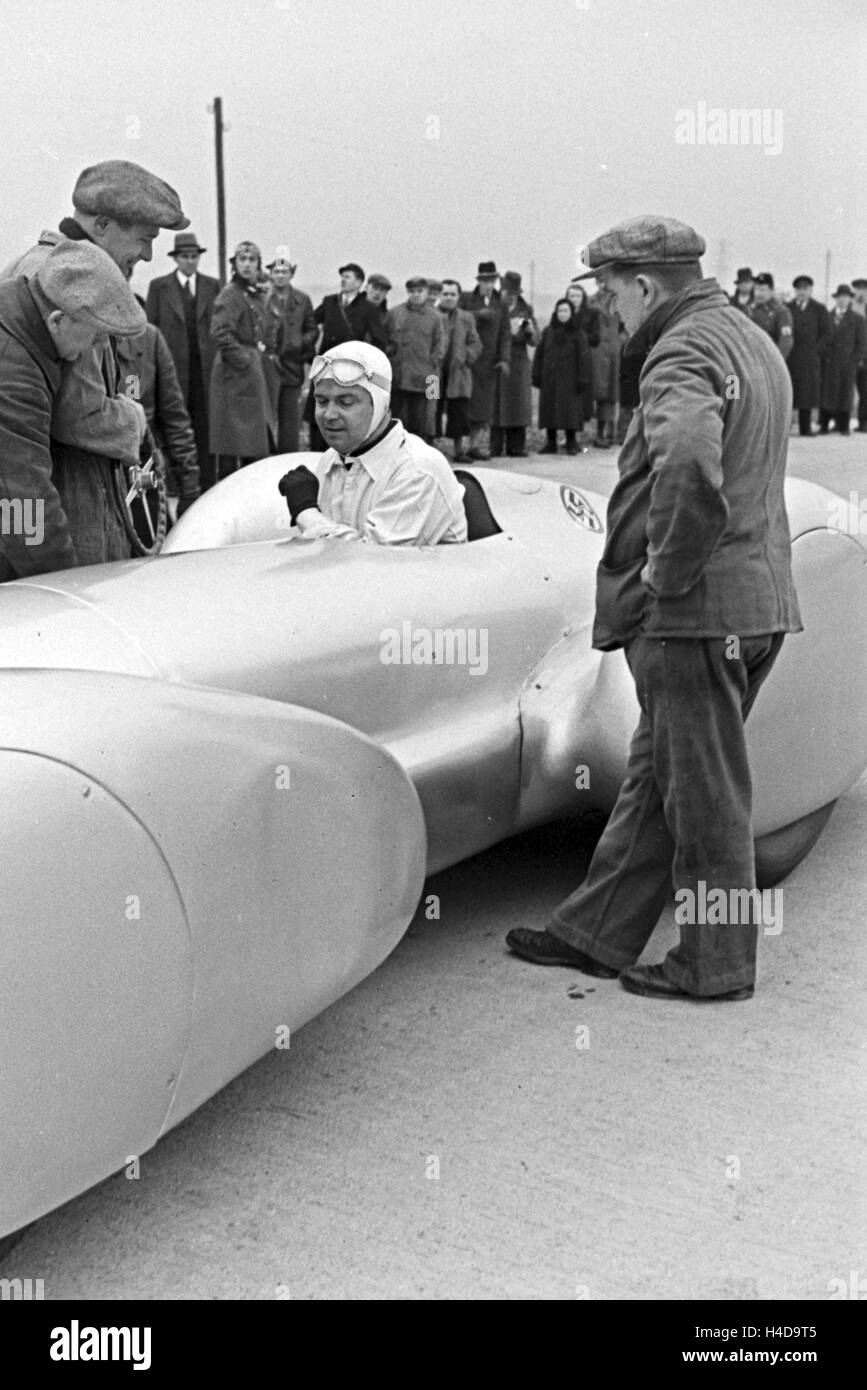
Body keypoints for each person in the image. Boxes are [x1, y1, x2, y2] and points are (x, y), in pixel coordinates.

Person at [507, 214, 801, 1002]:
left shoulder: (679, 350)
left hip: (697, 614)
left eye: (611, 292)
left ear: (643, 285)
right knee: (659, 776)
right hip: (753, 600)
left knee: (703, 796)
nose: (609, 309)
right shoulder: (743, 335)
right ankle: (594, 932)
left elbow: (687, 471)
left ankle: (714, 963)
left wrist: (665, 581)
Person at [1, 158, 189, 565]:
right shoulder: (65, 291)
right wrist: (51, 575)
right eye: (144, 238)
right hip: (67, 508)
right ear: (102, 225)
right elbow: (74, 420)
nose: (149, 253)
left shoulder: (52, 277)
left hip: (53, 505)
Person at [0, 240, 146, 581]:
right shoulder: (13, 376)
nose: (97, 347)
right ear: (57, 321)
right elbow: (21, 503)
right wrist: (64, 585)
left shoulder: (16, 316)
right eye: (95, 336)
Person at [277, 341, 466, 546]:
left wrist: (306, 512)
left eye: (346, 402)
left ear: (380, 405)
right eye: (322, 401)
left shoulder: (419, 470)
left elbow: (372, 563)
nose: (329, 415)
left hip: (423, 576)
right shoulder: (331, 460)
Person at [145, 231, 219, 491]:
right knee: (174, 426)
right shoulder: (159, 287)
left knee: (204, 428)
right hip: (173, 371)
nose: (190, 261)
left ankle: (207, 486)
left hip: (205, 373)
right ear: (176, 259)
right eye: (185, 257)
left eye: (194, 256)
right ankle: (177, 487)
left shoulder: (213, 286)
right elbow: (150, 328)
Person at [116, 315, 201, 522]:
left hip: (143, 476)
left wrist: (189, 488)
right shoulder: (73, 337)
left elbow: (174, 416)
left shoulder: (148, 338)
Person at [306, 263, 389, 449]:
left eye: (348, 277)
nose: (343, 280)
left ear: (359, 283)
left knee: (345, 414)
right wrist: (310, 354)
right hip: (325, 368)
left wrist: (365, 364)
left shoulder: (368, 308)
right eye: (342, 276)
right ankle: (315, 455)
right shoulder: (330, 302)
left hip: (351, 371)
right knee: (319, 411)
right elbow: (309, 324)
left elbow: (380, 339)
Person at [209, 240, 275, 475]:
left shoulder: (252, 293)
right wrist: (245, 361)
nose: (247, 265)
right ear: (235, 265)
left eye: (252, 260)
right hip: (235, 373)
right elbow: (220, 332)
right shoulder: (230, 294)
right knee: (233, 441)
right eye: (242, 260)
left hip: (250, 370)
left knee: (253, 442)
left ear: (258, 265)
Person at [259, 245, 317, 454]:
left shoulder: (303, 300)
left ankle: (287, 459)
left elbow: (312, 329)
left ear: (291, 274)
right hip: (268, 366)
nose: (280, 275)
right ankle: (265, 459)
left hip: (292, 366)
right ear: (271, 274)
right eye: (276, 271)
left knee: (290, 421)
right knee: (266, 418)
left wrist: (299, 343)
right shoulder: (263, 299)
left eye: (284, 271)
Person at [460, 261, 510, 459]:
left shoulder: (501, 303)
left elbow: (505, 333)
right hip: (468, 361)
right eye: (484, 281)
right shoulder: (467, 299)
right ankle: (458, 446)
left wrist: (504, 359)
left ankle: (475, 446)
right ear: (479, 281)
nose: (488, 285)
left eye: (491, 281)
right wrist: (477, 315)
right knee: (464, 404)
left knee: (484, 407)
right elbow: (458, 317)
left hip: (490, 363)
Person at [386, 276, 444, 440]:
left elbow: (439, 348)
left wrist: (429, 373)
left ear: (427, 292)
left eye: (420, 291)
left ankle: (425, 449)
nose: (416, 295)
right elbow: (388, 342)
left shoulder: (436, 317)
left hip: (426, 377)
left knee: (423, 418)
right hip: (400, 377)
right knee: (398, 419)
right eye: (412, 291)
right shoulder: (395, 313)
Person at [532, 299, 590, 454]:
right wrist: (536, 374)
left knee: (569, 411)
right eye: (560, 311)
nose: (562, 314)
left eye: (565, 311)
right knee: (550, 410)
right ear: (555, 313)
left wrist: (583, 378)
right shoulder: (548, 331)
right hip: (550, 378)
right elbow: (539, 354)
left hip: (570, 380)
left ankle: (571, 442)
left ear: (571, 313)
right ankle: (551, 443)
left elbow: (584, 358)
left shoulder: (579, 333)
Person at [491, 271, 538, 458]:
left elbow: (535, 341)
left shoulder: (525, 310)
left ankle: (516, 446)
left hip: (518, 362)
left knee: (518, 405)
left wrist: (530, 330)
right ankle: (495, 446)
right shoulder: (494, 308)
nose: (509, 296)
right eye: (506, 292)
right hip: (499, 360)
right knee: (497, 405)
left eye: (513, 293)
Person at [437, 279, 482, 461]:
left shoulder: (466, 318)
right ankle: (430, 447)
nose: (448, 297)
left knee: (458, 412)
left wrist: (466, 356)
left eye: (452, 294)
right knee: (432, 408)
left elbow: (476, 342)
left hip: (458, 374)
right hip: (434, 375)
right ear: (440, 296)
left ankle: (458, 450)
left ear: (458, 296)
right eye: (445, 294)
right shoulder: (431, 314)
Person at [786, 275, 830, 436]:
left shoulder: (819, 309)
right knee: (789, 391)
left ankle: (806, 427)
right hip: (790, 357)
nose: (802, 292)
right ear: (795, 291)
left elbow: (827, 333)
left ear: (810, 290)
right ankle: (786, 427)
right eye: (799, 289)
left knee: (807, 393)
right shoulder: (787, 308)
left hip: (810, 358)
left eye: (805, 289)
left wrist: (816, 350)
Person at [819, 284, 867, 436]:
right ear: (836, 299)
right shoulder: (827, 316)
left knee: (845, 394)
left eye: (846, 297)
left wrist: (853, 361)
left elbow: (862, 343)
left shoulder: (857, 319)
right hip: (829, 363)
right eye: (840, 297)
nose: (842, 300)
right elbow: (821, 338)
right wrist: (822, 355)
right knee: (826, 393)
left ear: (850, 299)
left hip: (847, 363)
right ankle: (825, 424)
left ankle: (843, 425)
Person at [566, 279, 601, 441]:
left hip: (583, 359)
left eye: (577, 296)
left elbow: (596, 338)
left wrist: (579, 338)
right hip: (565, 361)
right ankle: (569, 433)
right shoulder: (563, 313)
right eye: (571, 296)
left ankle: (577, 433)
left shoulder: (591, 314)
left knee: (581, 397)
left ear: (583, 298)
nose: (574, 299)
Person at [748, 273, 793, 359]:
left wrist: (775, 361)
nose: (758, 294)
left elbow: (786, 341)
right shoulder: (749, 310)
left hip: (769, 361)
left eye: (762, 290)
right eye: (756, 289)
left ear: (771, 291)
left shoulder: (781, 311)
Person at [851, 278, 867, 432]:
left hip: (865, 358)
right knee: (844, 389)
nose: (861, 292)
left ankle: (863, 422)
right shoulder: (850, 307)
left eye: (864, 289)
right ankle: (840, 420)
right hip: (849, 356)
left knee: (864, 391)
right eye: (858, 289)